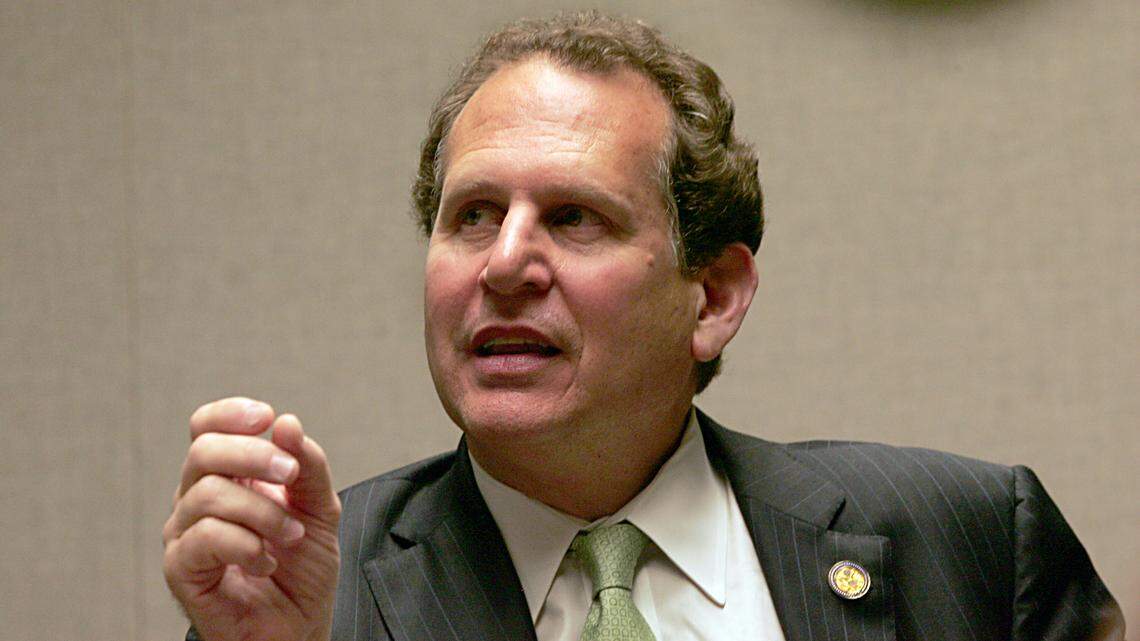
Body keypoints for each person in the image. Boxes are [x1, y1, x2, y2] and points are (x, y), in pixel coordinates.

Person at [162, 11, 1124, 641]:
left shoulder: (965, 541)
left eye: (575, 217)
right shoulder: (310, 596)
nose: (504, 263)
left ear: (713, 297)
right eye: (473, 215)